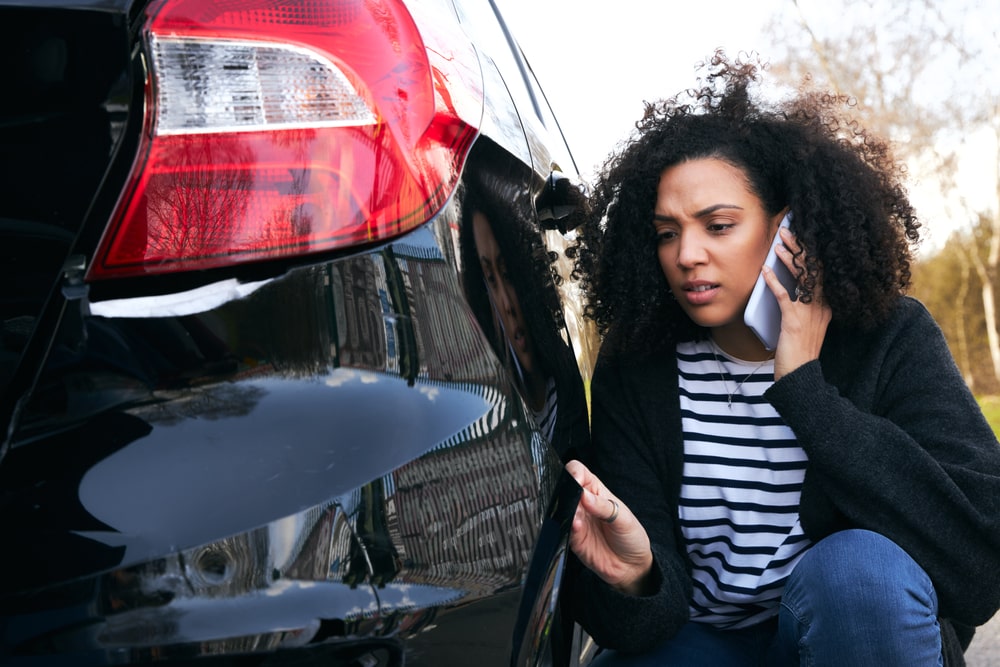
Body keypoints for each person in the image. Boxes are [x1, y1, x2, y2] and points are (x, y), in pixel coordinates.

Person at [563, 51, 1000, 666]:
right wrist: (638, 576)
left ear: (788, 228)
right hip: (699, 640)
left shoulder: (887, 336)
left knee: (857, 572)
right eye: (667, 232)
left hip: (842, 634)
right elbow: (641, 626)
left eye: (718, 225)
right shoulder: (638, 365)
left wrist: (805, 390)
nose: (687, 253)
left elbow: (980, 557)